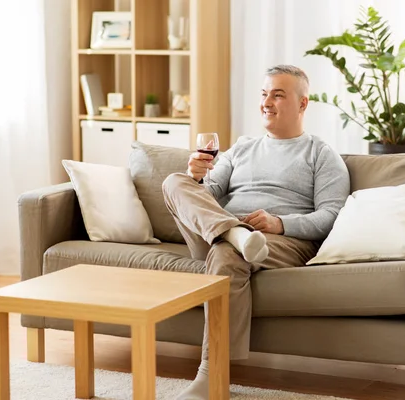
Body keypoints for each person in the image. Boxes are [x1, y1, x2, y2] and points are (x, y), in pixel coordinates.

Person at [162, 64, 350, 399]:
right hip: (218, 234)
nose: (267, 102)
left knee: (226, 254)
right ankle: (233, 233)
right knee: (173, 181)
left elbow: (332, 215)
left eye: (278, 94)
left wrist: (281, 223)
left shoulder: (321, 154)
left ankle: (211, 375)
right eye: (264, 94)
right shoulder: (242, 149)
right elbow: (207, 193)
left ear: (303, 104)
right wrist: (196, 177)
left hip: (281, 241)